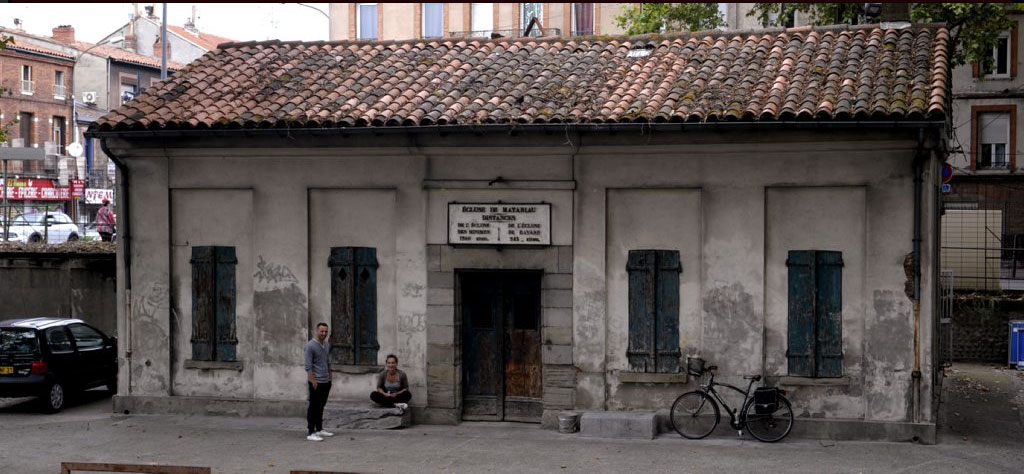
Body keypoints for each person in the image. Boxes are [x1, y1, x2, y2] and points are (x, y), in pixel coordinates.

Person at [304, 322, 334, 441]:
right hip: (316, 382)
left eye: (326, 331)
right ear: (316, 331)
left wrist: (330, 378)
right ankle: (311, 432)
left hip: (326, 381)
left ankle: (319, 429)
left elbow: (328, 363)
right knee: (313, 407)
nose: (324, 333)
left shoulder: (326, 345)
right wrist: (313, 381)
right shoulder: (310, 346)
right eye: (322, 331)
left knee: (321, 406)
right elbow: (308, 366)